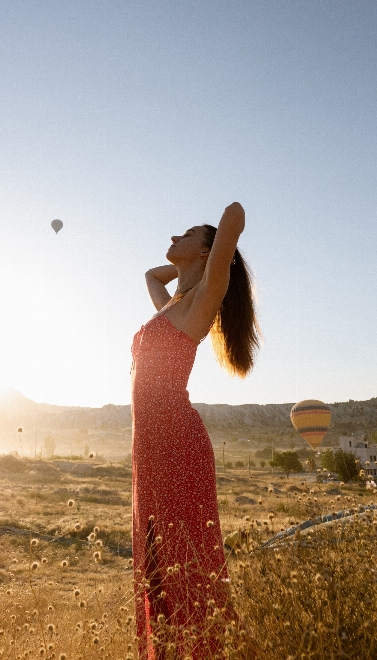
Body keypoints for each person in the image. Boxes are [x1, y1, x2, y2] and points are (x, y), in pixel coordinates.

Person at [131, 202, 261, 659]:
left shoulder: (206, 298)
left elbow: (235, 214)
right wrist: (183, 257)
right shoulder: (171, 304)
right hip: (149, 448)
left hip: (179, 445)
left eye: (184, 233)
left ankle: (205, 650)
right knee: (156, 558)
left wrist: (211, 256)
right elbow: (151, 274)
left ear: (208, 253)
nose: (172, 237)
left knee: (186, 557)